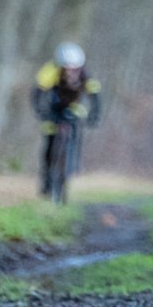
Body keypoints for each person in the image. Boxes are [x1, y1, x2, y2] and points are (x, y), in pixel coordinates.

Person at [32, 41, 103, 196]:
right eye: (67, 68)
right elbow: (37, 92)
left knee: (76, 132)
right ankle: (47, 180)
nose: (71, 72)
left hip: (74, 109)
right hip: (53, 109)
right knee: (49, 140)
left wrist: (95, 115)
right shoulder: (51, 70)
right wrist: (40, 111)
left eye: (74, 68)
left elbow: (95, 96)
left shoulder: (85, 74)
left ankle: (72, 164)